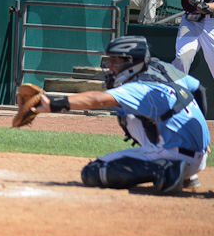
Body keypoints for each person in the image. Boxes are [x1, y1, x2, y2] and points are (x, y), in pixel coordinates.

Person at [28, 35, 208, 195]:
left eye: (116, 61)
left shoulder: (138, 87)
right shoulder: (163, 68)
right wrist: (201, 134)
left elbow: (97, 99)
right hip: (200, 156)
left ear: (132, 62)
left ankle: (167, 170)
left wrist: (52, 104)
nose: (110, 66)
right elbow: (198, 89)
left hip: (176, 156)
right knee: (134, 114)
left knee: (94, 172)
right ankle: (185, 174)